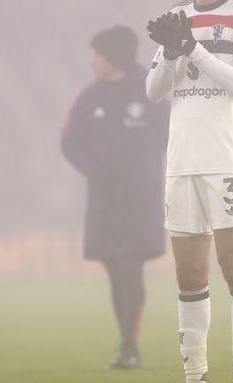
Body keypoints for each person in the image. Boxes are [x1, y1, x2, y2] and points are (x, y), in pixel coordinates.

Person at [145, 0, 233, 383]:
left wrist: (191, 46)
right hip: (181, 163)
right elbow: (154, 89)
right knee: (189, 275)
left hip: (227, 160)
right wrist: (176, 52)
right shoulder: (177, 15)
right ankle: (195, 377)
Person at [61, 25, 168, 369]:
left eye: (96, 54)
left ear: (111, 57)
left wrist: (160, 173)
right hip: (104, 200)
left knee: (129, 267)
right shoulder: (88, 97)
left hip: (141, 198)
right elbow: (68, 142)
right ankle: (127, 342)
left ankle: (129, 347)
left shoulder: (151, 89)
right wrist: (90, 168)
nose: (91, 61)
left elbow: (173, 135)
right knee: (114, 269)